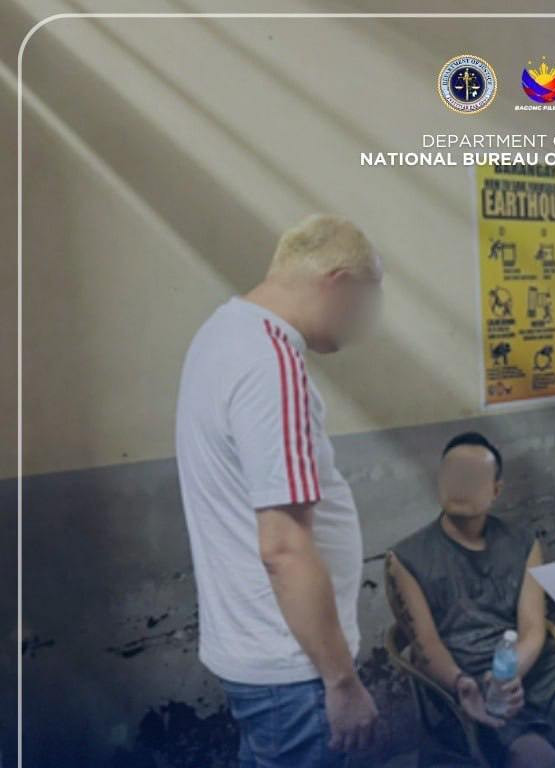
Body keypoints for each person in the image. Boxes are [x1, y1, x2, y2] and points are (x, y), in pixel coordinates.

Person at [176, 214, 384, 767]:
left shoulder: (222, 334)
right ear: (338, 284)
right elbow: (284, 548)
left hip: (257, 652)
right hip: (294, 666)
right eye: (366, 303)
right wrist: (341, 681)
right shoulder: (273, 360)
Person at [385, 432, 555, 768]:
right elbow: (425, 644)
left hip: (537, 670)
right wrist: (462, 684)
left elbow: (532, 628)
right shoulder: (405, 558)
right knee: (541, 761)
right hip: (468, 684)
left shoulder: (522, 542)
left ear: (495, 490)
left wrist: (511, 674)